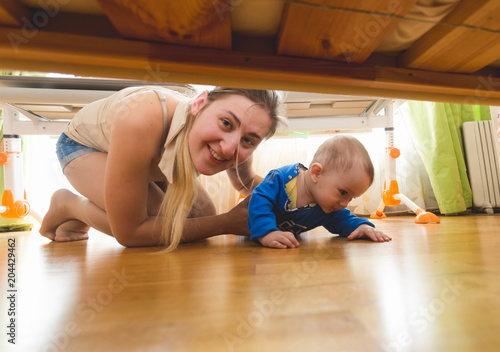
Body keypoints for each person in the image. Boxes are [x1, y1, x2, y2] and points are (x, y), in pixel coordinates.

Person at [40, 85, 286, 251]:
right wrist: (226, 223)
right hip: (85, 147)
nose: (229, 148)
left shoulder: (238, 146)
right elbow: (130, 234)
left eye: (248, 140)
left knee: (202, 216)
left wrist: (289, 196)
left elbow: (245, 183)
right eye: (225, 123)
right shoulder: (141, 117)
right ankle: (69, 205)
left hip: (149, 161)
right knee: (154, 222)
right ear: (199, 104)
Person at [248, 135, 392, 249]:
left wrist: (362, 227)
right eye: (343, 192)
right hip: (245, 224)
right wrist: (267, 233)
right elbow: (259, 200)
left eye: (351, 199)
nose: (344, 204)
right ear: (316, 173)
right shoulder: (281, 179)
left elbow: (343, 219)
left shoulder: (326, 207)